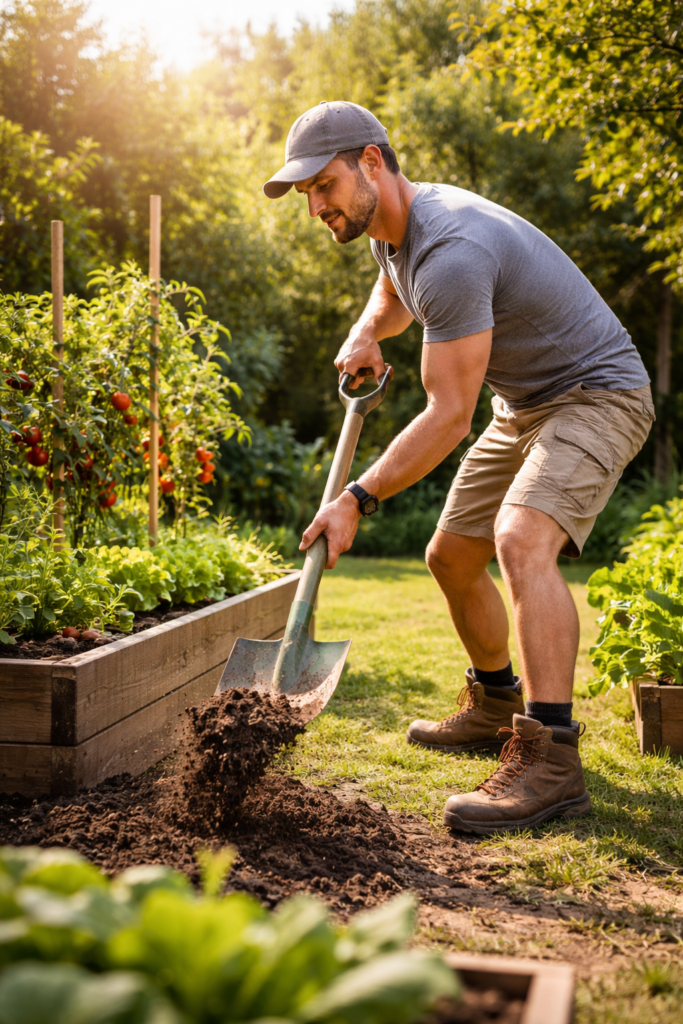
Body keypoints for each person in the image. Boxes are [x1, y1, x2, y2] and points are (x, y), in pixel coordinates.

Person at [262, 100, 654, 835]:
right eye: (306, 194)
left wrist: (356, 496)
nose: (315, 206)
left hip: (596, 393)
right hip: (526, 403)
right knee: (449, 555)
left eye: (323, 185)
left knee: (520, 538)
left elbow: (447, 417)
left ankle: (551, 758)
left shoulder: (452, 250)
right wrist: (365, 333)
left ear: (371, 161)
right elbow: (390, 291)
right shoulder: (393, 233)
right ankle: (494, 705)